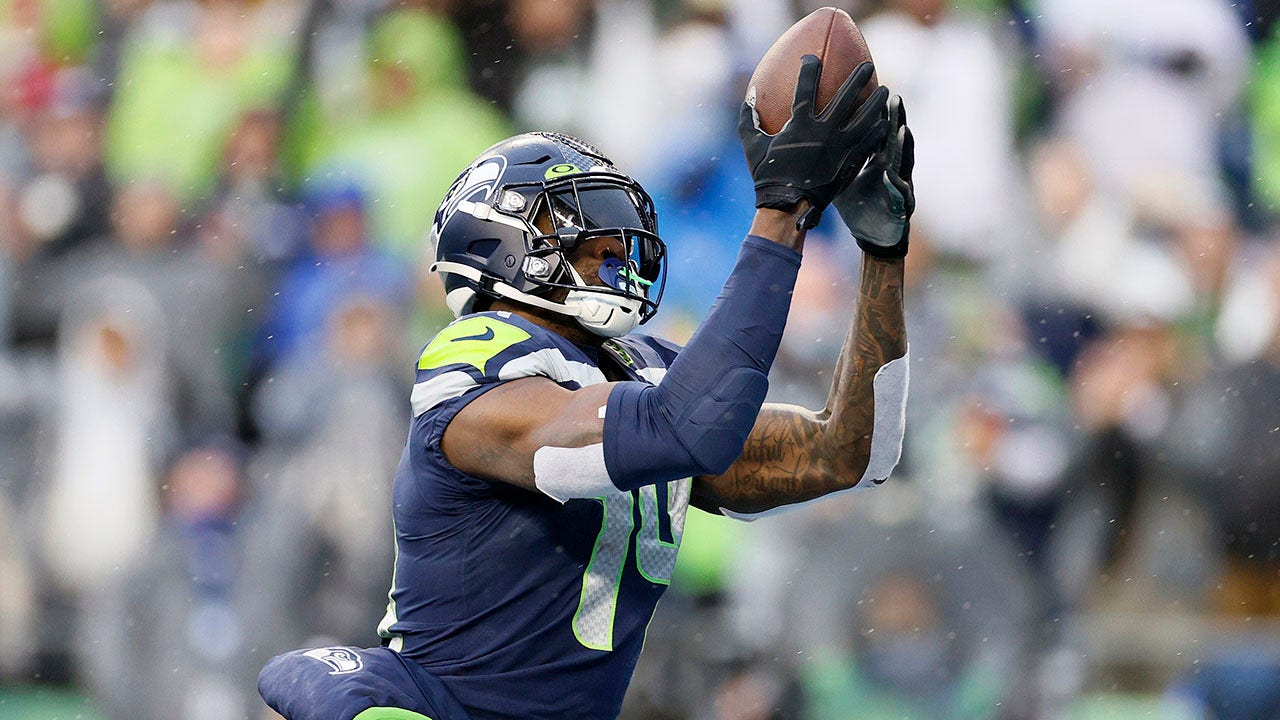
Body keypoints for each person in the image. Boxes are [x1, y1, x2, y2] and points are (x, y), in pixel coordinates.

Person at [258, 56, 914, 720]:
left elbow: (851, 452)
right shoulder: (479, 356)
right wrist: (780, 212)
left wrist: (882, 254)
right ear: (497, 239)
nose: (612, 248)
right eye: (574, 223)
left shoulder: (641, 370)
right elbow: (683, 425)